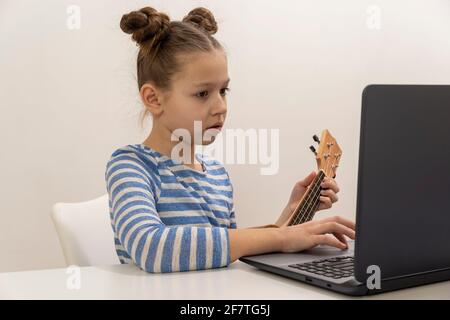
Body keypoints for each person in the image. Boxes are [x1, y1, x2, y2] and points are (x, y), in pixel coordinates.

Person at [105, 6, 355, 273]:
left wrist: (292, 214)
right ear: (154, 99)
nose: (221, 106)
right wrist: (281, 237)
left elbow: (226, 251)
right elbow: (152, 249)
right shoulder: (130, 166)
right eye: (203, 93)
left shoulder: (217, 175)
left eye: (223, 90)